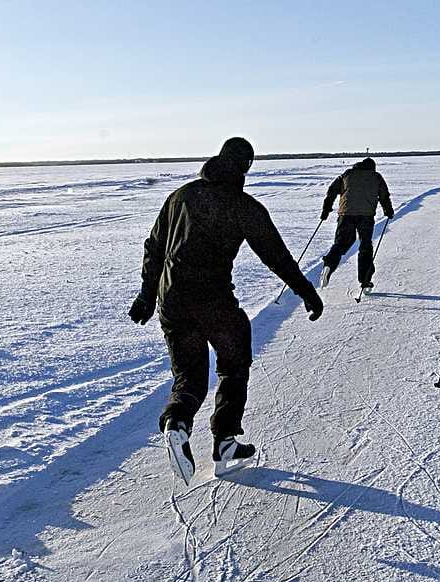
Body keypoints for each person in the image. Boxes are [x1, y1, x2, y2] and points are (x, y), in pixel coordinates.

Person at [128, 137, 324, 486]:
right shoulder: (243, 205)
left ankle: (177, 421)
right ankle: (225, 443)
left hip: (171, 301)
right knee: (234, 362)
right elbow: (275, 256)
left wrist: (146, 295)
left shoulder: (181, 196)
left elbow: (154, 247)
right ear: (245, 167)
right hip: (213, 301)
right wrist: (306, 292)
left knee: (189, 377)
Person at [318, 158, 395, 289]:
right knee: (365, 246)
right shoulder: (376, 177)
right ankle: (365, 281)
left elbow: (332, 191)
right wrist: (388, 211)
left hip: (346, 214)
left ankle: (329, 264)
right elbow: (384, 196)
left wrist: (326, 210)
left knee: (342, 242)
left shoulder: (347, 174)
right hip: (366, 216)